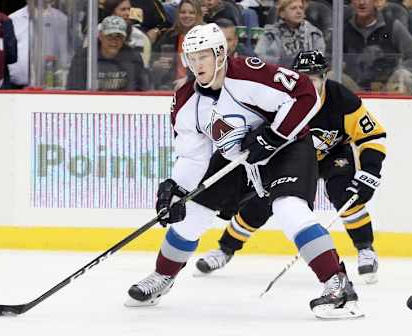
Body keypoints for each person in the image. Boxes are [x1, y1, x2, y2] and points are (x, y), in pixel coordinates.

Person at [125, 24, 363, 319]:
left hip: (286, 147)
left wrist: (274, 136)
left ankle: (337, 285)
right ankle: (163, 275)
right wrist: (177, 189)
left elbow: (305, 94)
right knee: (192, 212)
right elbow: (193, 155)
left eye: (204, 56)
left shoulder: (249, 73)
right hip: (238, 158)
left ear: (220, 54)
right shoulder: (186, 101)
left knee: (289, 208)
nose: (197, 64)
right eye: (191, 57)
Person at [196, 50, 387, 285]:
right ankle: (225, 249)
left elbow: (372, 134)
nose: (309, 83)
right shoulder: (279, 97)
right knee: (262, 201)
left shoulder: (342, 99)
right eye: (302, 76)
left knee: (345, 191)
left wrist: (370, 170)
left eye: (314, 77)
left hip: (332, 155)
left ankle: (365, 248)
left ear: (325, 76)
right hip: (291, 156)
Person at [343, 0, 412, 94]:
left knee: (403, 76)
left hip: (389, 89)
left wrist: (395, 72)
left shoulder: (393, 26)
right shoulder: (343, 29)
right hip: (353, 91)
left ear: (375, 2)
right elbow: (327, 60)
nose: (361, 2)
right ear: (351, 2)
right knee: (332, 75)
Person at [67, 15, 149, 91]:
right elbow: (74, 90)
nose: (114, 41)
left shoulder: (133, 58)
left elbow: (141, 91)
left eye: (118, 36)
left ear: (124, 38)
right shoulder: (84, 57)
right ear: (100, 36)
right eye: (109, 36)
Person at [255, 0, 325, 67]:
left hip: (305, 76)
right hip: (276, 75)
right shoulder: (270, 34)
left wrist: (295, 63)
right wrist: (284, 62)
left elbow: (318, 61)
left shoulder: (314, 34)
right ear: (282, 13)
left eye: (301, 8)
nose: (299, 11)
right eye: (293, 8)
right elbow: (259, 57)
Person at [151, 0, 203, 90]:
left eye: (191, 13)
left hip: (196, 86)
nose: (187, 15)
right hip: (169, 86)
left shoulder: (205, 36)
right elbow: (152, 60)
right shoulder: (169, 35)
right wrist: (157, 65)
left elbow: (210, 65)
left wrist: (189, 79)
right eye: (183, 12)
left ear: (198, 15)